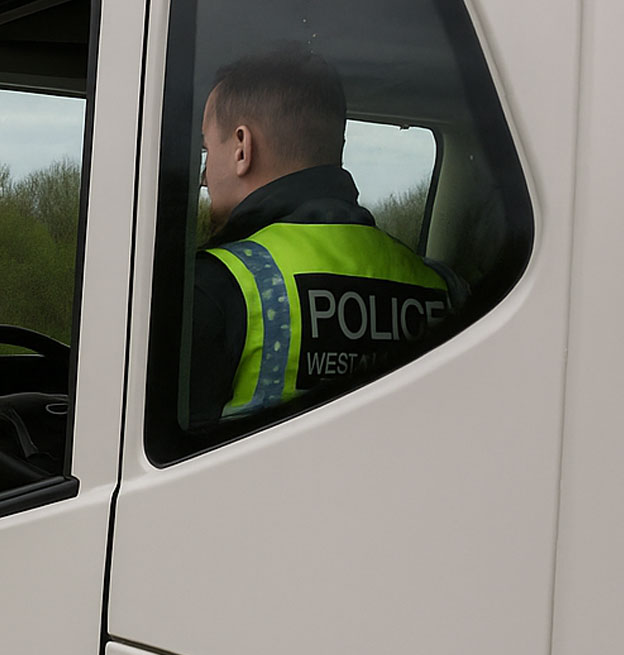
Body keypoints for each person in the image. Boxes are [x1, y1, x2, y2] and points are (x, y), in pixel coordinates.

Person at [190, 47, 458, 427]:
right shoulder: (444, 290)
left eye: (207, 150)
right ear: (340, 149)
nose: (204, 176)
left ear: (241, 147)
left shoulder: (214, 289)